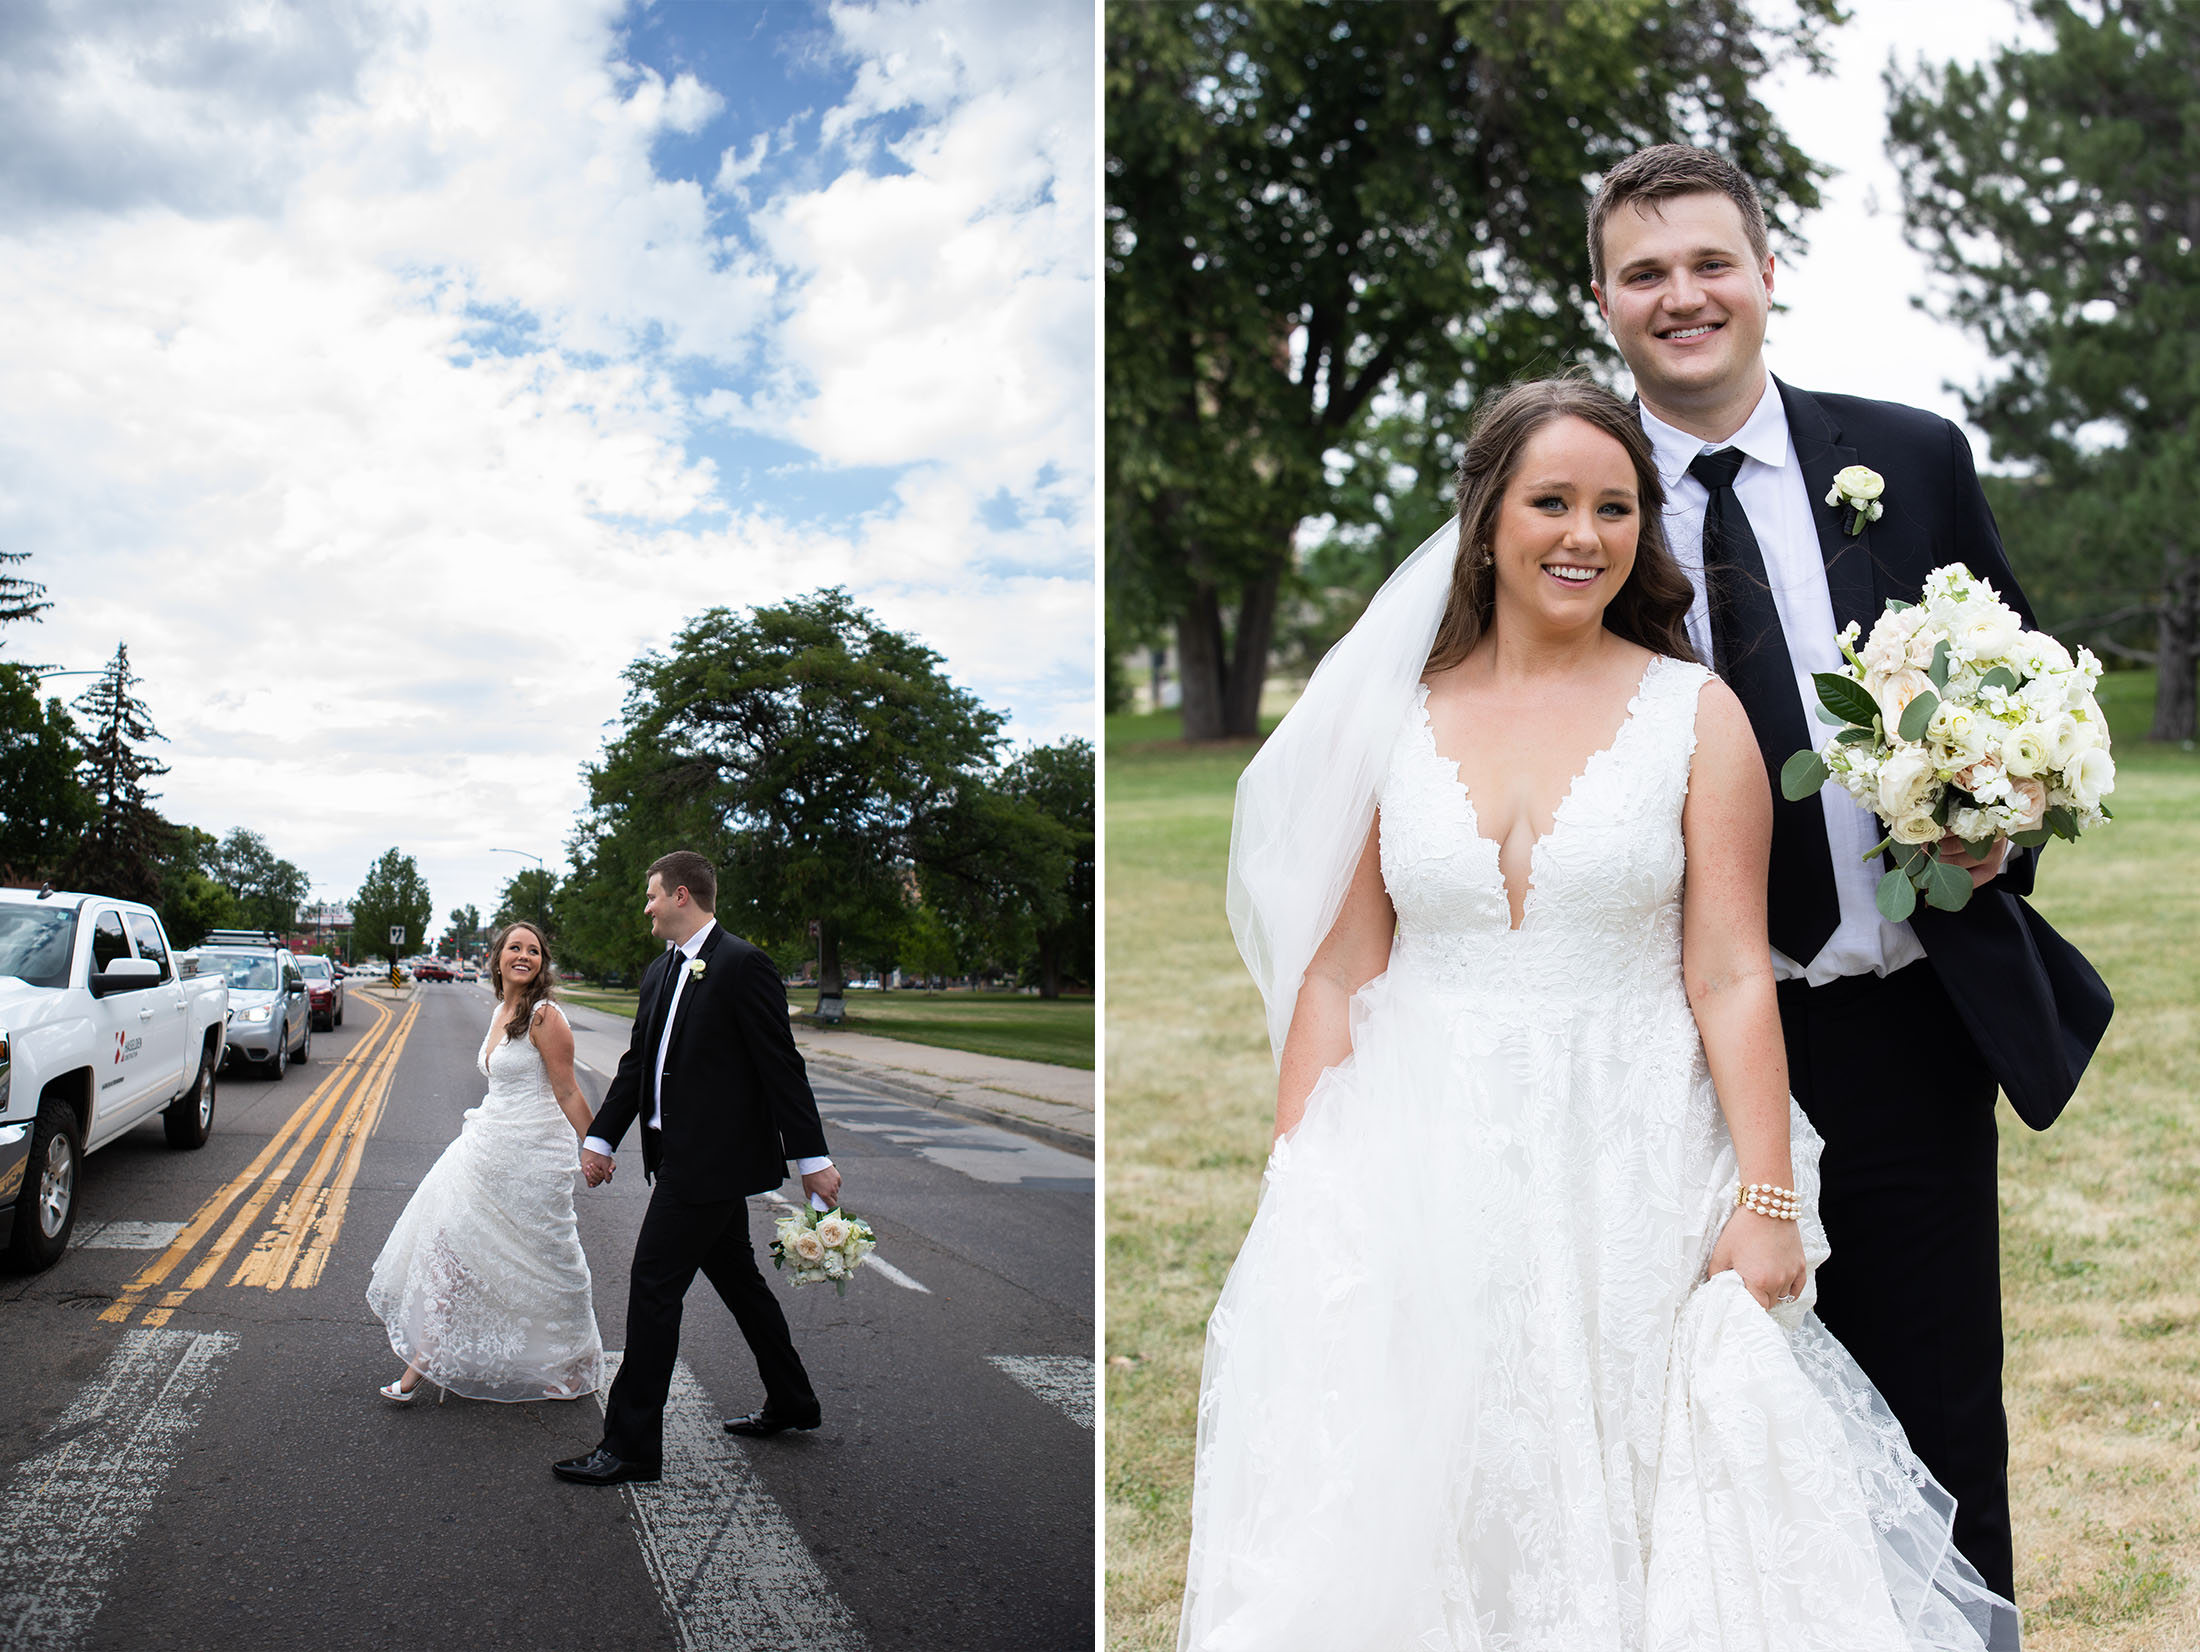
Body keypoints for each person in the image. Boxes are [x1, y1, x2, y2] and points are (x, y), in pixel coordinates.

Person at [1177, 378, 2016, 1649]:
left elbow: (1730, 972)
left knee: (1652, 1502)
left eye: (1614, 506)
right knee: (1430, 1490)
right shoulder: (1391, 718)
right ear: (1486, 518)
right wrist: (1301, 1177)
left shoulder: (1695, 713)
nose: (1584, 534)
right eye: (1551, 501)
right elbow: (1343, 969)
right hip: (1424, 1158)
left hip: (1635, 1157)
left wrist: (1767, 1196)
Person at [1589, 144, 2112, 1602]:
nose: (1682, 296)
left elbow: (2031, 694)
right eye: (1645, 273)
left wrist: (2003, 811)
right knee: (1708, 1422)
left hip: (1901, 1022)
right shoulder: (1580, 501)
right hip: (1671, 1045)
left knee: (1941, 1410)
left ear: (1767, 277)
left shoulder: (1913, 459)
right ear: (1603, 302)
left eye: (1710, 263)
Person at [551, 850, 840, 1487]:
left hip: (710, 1167)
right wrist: (602, 1138)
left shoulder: (744, 964)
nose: (646, 907)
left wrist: (812, 1159)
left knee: (653, 1287)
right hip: (676, 1158)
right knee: (741, 1284)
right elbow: (637, 1066)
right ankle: (793, 1400)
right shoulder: (658, 974)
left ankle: (630, 1447)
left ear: (683, 895)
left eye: (652, 895)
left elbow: (780, 1066)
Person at [367, 920, 604, 1404]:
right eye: (514, 948)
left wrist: (594, 1146)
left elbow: (565, 1090)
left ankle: (577, 1359)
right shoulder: (501, 1010)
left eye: (533, 950)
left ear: (542, 962)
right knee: (446, 1252)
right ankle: (421, 1364)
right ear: (497, 958)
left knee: (549, 1259)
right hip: (483, 1151)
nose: (524, 956)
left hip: (535, 1157)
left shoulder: (545, 1016)